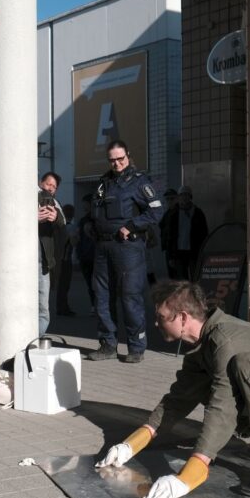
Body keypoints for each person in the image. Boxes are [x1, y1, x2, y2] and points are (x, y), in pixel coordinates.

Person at [95, 281, 250, 498]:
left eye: (161, 317)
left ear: (183, 317)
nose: (156, 323)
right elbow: (177, 401)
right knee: (207, 385)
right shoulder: (201, 347)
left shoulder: (224, 342)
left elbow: (222, 408)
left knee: (245, 368)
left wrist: (188, 476)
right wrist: (130, 445)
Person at [87, 139, 163, 363]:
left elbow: (157, 210)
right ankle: (108, 345)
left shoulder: (139, 182)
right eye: (112, 160)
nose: (117, 163)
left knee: (130, 296)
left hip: (128, 248)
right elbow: (95, 211)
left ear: (128, 156)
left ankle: (136, 347)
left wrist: (131, 226)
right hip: (102, 247)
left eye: (120, 159)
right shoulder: (103, 183)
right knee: (102, 297)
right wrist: (89, 225)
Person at [38, 172, 66, 337]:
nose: (50, 188)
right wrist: (32, 217)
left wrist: (55, 217)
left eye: (54, 187)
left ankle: (35, 338)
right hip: (23, 260)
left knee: (43, 306)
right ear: (40, 182)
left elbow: (62, 221)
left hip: (44, 261)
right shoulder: (27, 196)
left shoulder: (53, 202)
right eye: (48, 184)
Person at [162, 185, 208, 281]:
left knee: (195, 276)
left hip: (194, 251)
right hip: (178, 252)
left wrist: (202, 251)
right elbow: (170, 236)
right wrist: (171, 256)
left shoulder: (197, 212)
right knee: (182, 279)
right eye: (182, 195)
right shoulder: (174, 214)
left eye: (186, 195)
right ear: (179, 197)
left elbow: (204, 233)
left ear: (190, 197)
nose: (184, 197)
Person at [55, 204, 78, 317]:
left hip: (59, 258)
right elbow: (73, 242)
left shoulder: (59, 226)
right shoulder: (71, 227)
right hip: (66, 259)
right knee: (65, 285)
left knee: (61, 285)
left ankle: (61, 307)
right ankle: (63, 308)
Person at [76, 194, 97, 313]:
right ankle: (94, 305)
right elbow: (79, 238)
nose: (84, 206)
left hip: (94, 255)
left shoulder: (97, 219)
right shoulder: (83, 220)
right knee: (90, 283)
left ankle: (97, 305)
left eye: (86, 204)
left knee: (95, 283)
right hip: (85, 256)